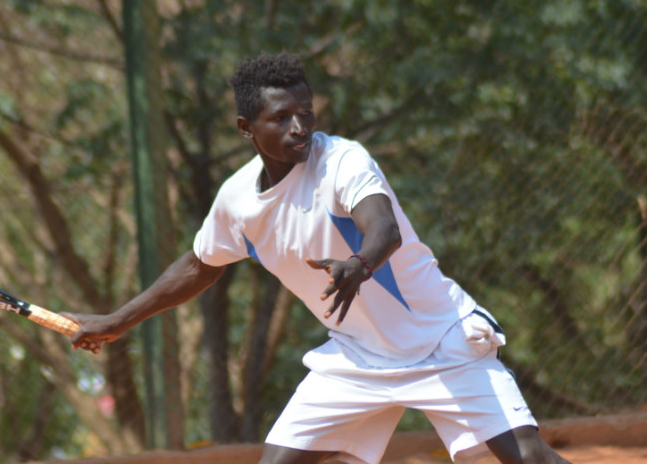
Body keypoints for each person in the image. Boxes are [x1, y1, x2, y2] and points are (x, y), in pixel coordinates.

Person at [63, 52, 571, 464]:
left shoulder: (342, 161)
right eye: (280, 118)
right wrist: (116, 321)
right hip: (356, 359)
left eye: (305, 112)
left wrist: (359, 264)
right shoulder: (238, 201)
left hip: (442, 341)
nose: (299, 127)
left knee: (528, 458)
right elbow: (200, 266)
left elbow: (384, 228)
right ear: (246, 127)